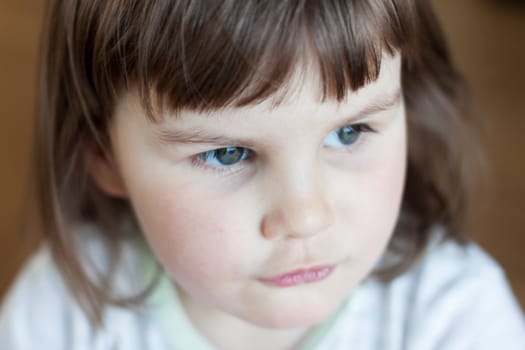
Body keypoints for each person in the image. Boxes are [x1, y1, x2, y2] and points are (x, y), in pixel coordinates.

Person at [1, 0, 524, 349]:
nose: (305, 216)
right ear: (104, 155)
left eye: (349, 133)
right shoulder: (60, 318)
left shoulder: (454, 318)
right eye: (228, 153)